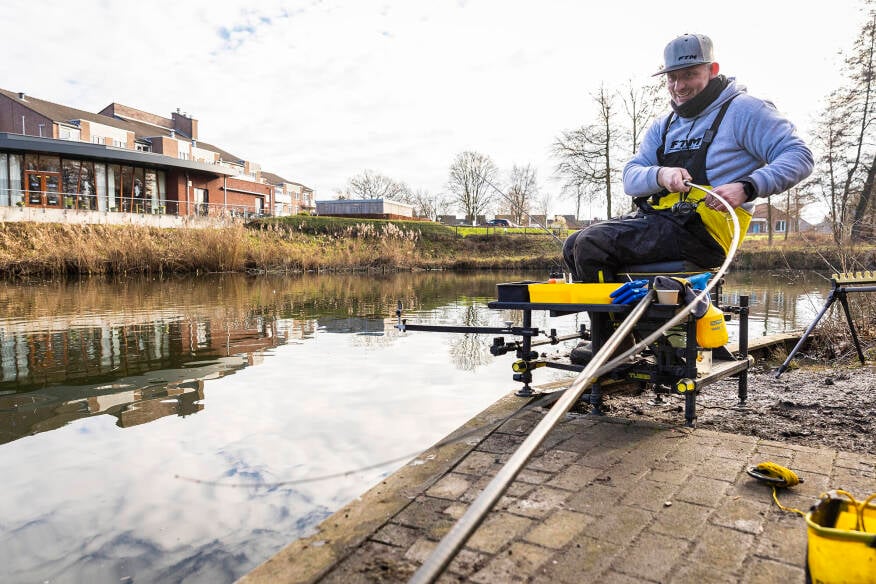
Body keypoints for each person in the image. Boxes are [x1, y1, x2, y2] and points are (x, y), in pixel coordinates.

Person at [563, 33, 814, 284]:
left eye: (689, 75)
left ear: (712, 70)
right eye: (672, 78)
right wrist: (661, 175)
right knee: (573, 244)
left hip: (707, 234)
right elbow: (630, 178)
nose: (679, 86)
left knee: (591, 245)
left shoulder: (746, 110)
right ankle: (627, 307)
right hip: (660, 221)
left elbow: (799, 155)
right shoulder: (664, 125)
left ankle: (609, 311)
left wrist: (747, 187)